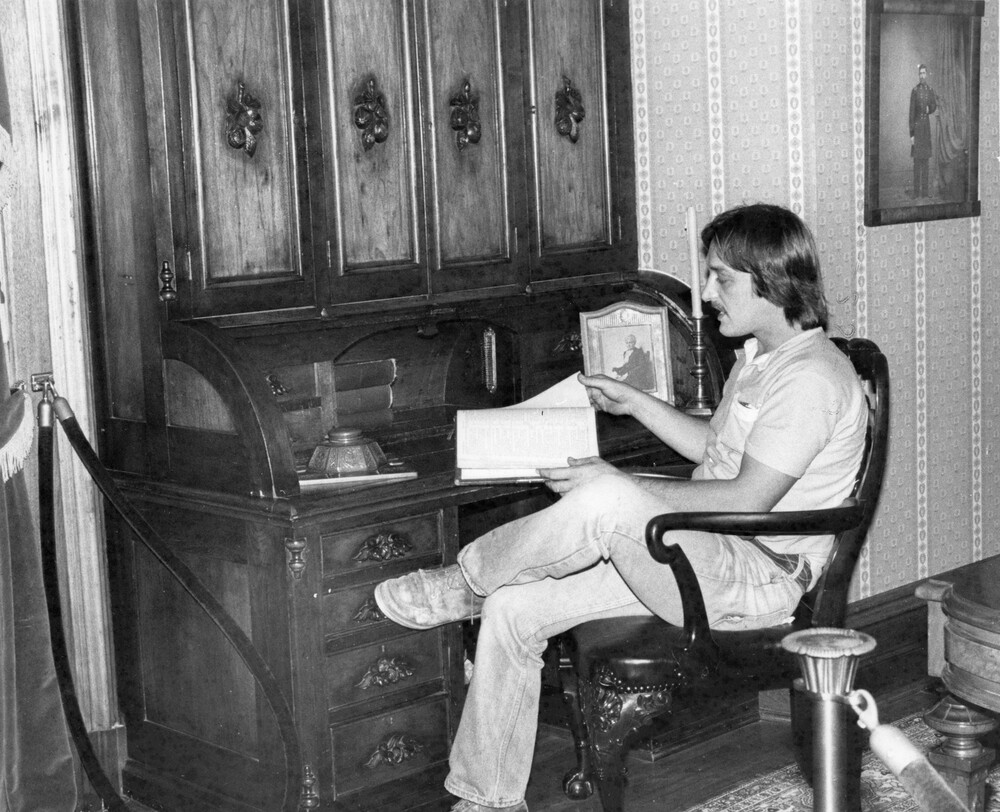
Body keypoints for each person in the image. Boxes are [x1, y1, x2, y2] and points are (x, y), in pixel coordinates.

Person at [374, 203, 869, 812]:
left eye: (722, 278)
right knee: (513, 608)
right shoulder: (762, 358)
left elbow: (746, 498)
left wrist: (619, 481)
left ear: (773, 281)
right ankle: (487, 799)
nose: (708, 293)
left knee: (607, 497)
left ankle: (465, 581)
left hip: (757, 577)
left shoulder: (812, 378)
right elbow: (716, 451)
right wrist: (636, 402)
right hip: (702, 555)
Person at [909, 64, 938, 199]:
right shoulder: (914, 91)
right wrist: (912, 135)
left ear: (927, 74)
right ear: (918, 75)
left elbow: (934, 104)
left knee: (925, 161)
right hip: (917, 129)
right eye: (920, 73)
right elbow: (911, 114)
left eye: (924, 73)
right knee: (916, 162)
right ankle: (916, 193)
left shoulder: (930, 90)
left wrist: (929, 109)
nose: (922, 76)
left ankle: (925, 193)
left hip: (926, 129)